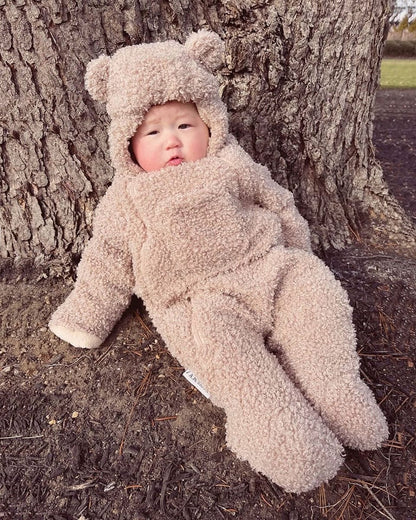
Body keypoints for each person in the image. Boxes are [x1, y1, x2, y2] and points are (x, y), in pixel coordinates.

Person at [49, 30, 388, 493]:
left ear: (210, 122)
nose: (172, 141)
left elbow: (277, 201)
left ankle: (334, 387)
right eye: (153, 132)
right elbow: (106, 262)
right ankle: (280, 432)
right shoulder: (126, 198)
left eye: (184, 125)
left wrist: (297, 249)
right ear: (125, 142)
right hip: (202, 301)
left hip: (269, 269)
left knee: (315, 295)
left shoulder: (232, 163)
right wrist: (86, 314)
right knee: (231, 360)